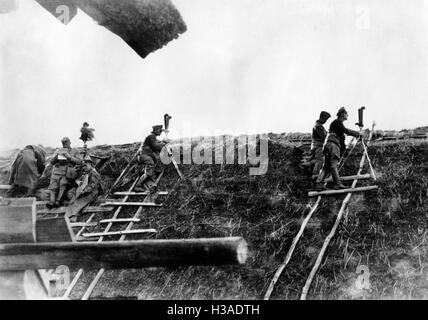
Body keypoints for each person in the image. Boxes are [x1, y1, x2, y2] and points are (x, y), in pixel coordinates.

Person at [315, 107, 361, 190]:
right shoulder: (337, 122)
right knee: (333, 165)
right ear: (342, 114)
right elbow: (346, 131)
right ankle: (337, 184)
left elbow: (342, 140)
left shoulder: (336, 125)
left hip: (328, 145)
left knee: (326, 166)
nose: (348, 115)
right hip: (332, 145)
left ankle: (319, 183)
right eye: (346, 113)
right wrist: (358, 134)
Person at [47, 137, 82, 208]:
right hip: (57, 172)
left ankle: (58, 202)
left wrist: (69, 157)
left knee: (63, 185)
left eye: (66, 142)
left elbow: (79, 161)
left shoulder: (75, 151)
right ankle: (51, 202)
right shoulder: (58, 150)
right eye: (63, 143)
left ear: (70, 142)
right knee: (53, 187)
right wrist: (57, 156)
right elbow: (52, 162)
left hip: (67, 173)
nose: (65, 144)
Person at [66, 155, 101, 220]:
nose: (84, 167)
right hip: (83, 192)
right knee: (72, 201)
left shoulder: (94, 173)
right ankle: (70, 217)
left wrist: (85, 190)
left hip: (91, 193)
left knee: (77, 203)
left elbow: (92, 185)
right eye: (84, 166)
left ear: (90, 164)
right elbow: (80, 180)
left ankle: (72, 218)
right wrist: (77, 181)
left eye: (86, 165)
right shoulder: (86, 173)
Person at [134, 125, 169, 192]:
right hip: (145, 156)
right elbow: (155, 146)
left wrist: (164, 144)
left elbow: (157, 148)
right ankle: (137, 186)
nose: (161, 132)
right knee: (149, 170)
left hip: (147, 156)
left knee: (155, 167)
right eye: (160, 130)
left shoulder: (154, 138)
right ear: (155, 130)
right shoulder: (151, 136)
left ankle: (151, 182)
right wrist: (163, 143)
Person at [310, 111, 331, 186]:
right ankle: (315, 178)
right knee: (319, 161)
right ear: (322, 118)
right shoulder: (318, 126)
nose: (326, 121)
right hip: (318, 145)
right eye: (326, 119)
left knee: (316, 161)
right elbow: (324, 136)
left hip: (316, 145)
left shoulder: (318, 125)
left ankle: (314, 178)